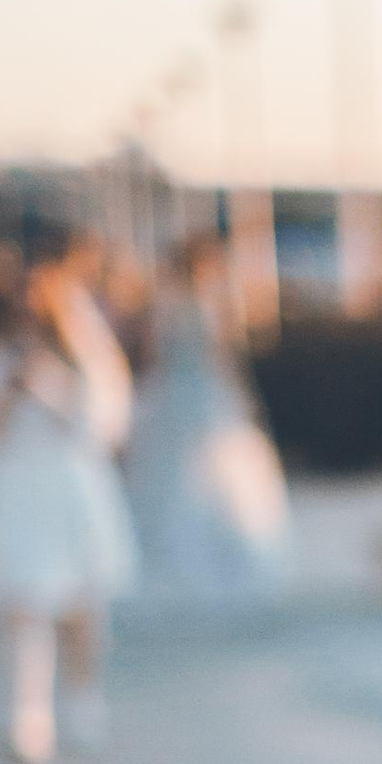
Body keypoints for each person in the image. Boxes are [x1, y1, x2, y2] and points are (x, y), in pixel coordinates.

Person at [0, 236, 138, 764]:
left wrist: (51, 390)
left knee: (80, 607)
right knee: (23, 606)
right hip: (19, 488)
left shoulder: (85, 352)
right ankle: (29, 717)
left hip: (71, 485)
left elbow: (104, 425)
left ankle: (83, 700)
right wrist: (9, 393)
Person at [122, 225, 292, 596]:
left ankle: (185, 552)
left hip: (176, 395)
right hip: (204, 396)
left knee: (180, 472)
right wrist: (241, 396)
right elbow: (219, 357)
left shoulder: (166, 304)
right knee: (217, 469)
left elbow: (152, 357)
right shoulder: (208, 304)